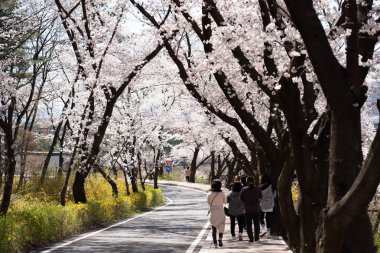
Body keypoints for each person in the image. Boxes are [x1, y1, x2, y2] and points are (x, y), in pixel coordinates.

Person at [240, 176, 262, 243]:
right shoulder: (258, 189)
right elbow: (261, 197)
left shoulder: (244, 190)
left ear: (246, 182)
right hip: (256, 209)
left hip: (247, 210)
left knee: (248, 225)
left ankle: (251, 238)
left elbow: (241, 198)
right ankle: (257, 238)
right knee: (257, 224)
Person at [207, 179, 227, 248]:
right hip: (221, 212)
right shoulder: (222, 193)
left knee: (214, 228)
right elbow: (225, 202)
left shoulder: (209, 194)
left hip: (213, 212)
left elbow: (208, 202)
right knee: (221, 226)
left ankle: (215, 243)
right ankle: (220, 239)